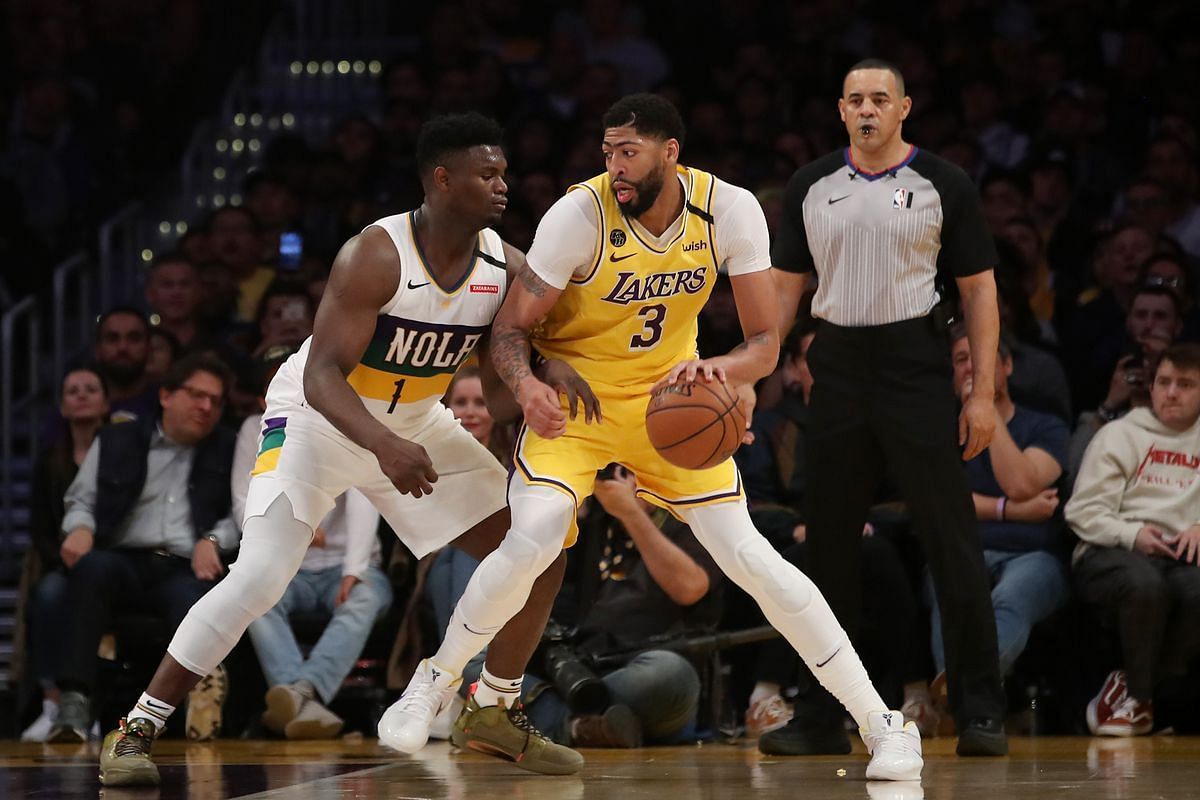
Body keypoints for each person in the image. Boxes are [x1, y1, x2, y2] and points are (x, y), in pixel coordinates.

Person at [390, 93, 923, 782]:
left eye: (629, 152)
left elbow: (764, 343)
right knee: (535, 536)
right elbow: (512, 331)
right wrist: (527, 390)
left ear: (671, 152)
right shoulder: (578, 215)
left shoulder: (726, 209)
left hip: (669, 410)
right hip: (576, 408)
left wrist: (720, 371)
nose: (614, 166)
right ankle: (432, 685)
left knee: (754, 561)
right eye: (607, 152)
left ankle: (882, 725)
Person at [98, 113, 589, 786]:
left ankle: (493, 708)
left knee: (543, 548)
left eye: (504, 172)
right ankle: (137, 727)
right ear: (443, 180)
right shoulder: (377, 254)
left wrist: (548, 373)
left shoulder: (504, 262)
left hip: (416, 423)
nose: (504, 185)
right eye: (488, 174)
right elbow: (324, 373)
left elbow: (544, 337)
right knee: (261, 575)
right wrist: (384, 445)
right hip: (314, 420)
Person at [771, 59, 1008, 756]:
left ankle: (980, 711)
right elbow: (785, 291)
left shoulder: (944, 182)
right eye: (855, 100)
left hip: (916, 367)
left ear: (904, 108)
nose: (868, 108)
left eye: (880, 98)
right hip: (836, 367)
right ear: (840, 111)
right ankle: (820, 717)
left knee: (952, 543)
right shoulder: (810, 184)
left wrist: (983, 393)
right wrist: (758, 364)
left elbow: (981, 292)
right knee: (829, 551)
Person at [49, 354, 238, 743]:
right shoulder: (117, 438)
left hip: (185, 564)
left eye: (215, 401)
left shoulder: (228, 445)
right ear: (166, 395)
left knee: (200, 600)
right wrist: (81, 528)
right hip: (123, 558)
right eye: (197, 395)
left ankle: (193, 706)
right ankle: (74, 700)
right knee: (91, 570)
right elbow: (81, 501)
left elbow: (242, 511)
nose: (207, 407)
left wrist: (214, 540)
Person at [231, 351, 392, 740]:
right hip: (288, 565)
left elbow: (363, 493)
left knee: (367, 596)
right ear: (262, 397)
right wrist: (290, 529)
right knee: (249, 595)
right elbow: (242, 501)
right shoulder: (256, 428)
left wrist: (354, 568)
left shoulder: (346, 419)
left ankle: (300, 693)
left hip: (346, 565)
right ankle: (304, 700)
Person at [925, 327, 1070, 708]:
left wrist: (986, 410)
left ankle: (960, 693)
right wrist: (1011, 510)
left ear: (1005, 365)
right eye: (960, 360)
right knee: (949, 586)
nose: (970, 367)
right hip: (964, 548)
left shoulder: (1046, 426)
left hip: (1034, 557)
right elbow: (941, 501)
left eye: (981, 358)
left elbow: (1021, 482)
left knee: (1010, 596)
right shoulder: (937, 430)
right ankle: (968, 698)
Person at [1065, 343, 1200, 737]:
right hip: (1110, 550)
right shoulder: (1119, 435)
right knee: (1146, 585)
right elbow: (1081, 512)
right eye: (1164, 382)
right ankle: (1140, 701)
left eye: (1185, 384)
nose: (1171, 392)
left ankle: (1135, 686)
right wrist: (1133, 534)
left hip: (1182, 554)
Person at [18, 367, 109, 741]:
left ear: (105, 402)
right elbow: (40, 527)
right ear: (62, 406)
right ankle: (53, 703)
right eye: (73, 391)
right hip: (62, 560)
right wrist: (63, 561)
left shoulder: (119, 452)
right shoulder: (48, 460)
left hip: (106, 557)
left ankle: (97, 707)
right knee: (50, 594)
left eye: (91, 389)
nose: (82, 395)